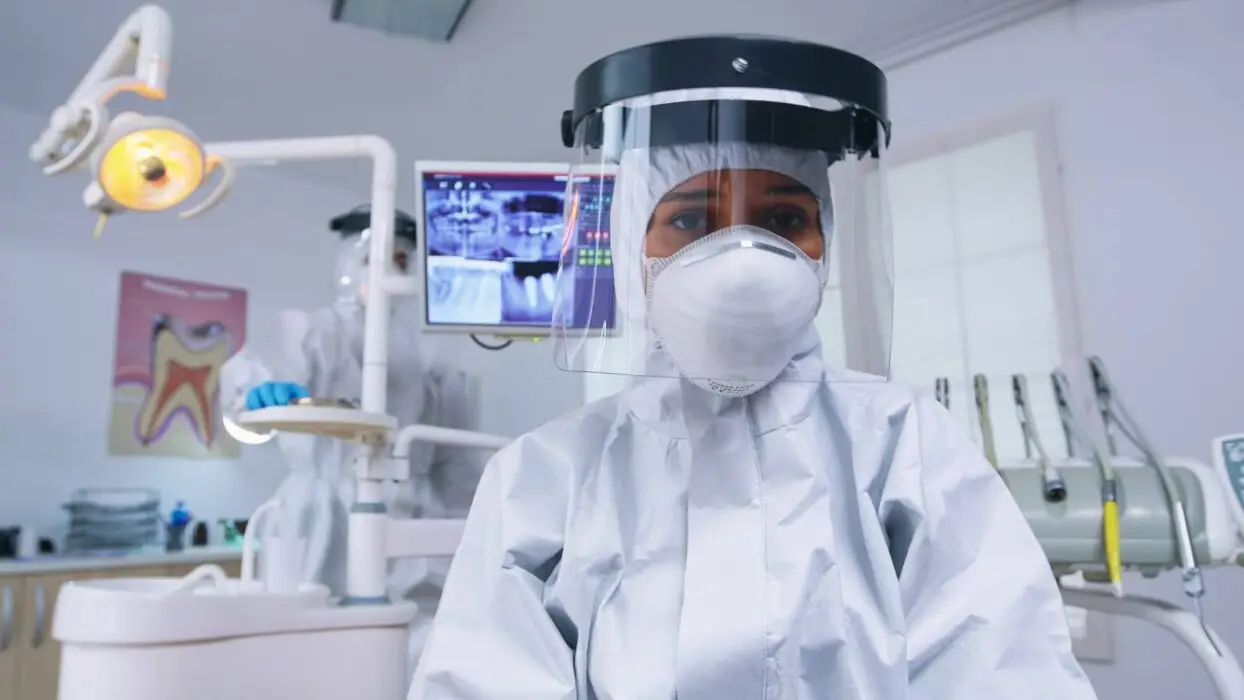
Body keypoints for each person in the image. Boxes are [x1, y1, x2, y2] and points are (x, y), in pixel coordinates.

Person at [410, 39, 1096, 698]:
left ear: (823, 240)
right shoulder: (542, 478)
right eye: (689, 221)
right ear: (630, 246)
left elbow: (1004, 670)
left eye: (782, 219)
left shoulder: (906, 446)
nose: (741, 259)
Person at [220, 205, 482, 672]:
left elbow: (456, 464)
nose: (386, 270)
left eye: (400, 260)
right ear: (346, 262)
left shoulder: (433, 355)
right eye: (373, 258)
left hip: (415, 521)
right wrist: (257, 398)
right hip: (321, 522)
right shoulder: (314, 332)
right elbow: (246, 395)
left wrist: (476, 537)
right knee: (307, 658)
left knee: (414, 653)